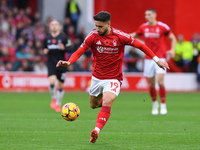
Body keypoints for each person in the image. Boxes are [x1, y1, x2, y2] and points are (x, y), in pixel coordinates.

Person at [56, 11, 169, 143]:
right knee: (93, 105)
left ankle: (96, 131)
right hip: (97, 78)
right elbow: (80, 50)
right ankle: (105, 108)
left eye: (100, 27)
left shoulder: (120, 36)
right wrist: (69, 62)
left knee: (107, 101)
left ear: (108, 24)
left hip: (113, 78)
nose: (97, 29)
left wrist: (157, 60)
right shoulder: (92, 36)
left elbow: (141, 45)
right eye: (96, 26)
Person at [130, 8, 176, 115]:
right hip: (148, 59)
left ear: (155, 15)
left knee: (160, 82)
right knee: (151, 85)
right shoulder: (143, 27)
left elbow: (173, 38)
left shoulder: (162, 27)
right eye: (146, 15)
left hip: (161, 57)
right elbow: (134, 35)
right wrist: (121, 36)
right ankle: (155, 103)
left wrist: (173, 49)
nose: (147, 16)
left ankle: (163, 104)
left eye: (149, 14)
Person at [43, 20, 72, 112]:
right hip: (51, 64)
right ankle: (53, 98)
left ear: (59, 26)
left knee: (60, 86)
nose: (54, 26)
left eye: (56, 24)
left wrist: (64, 48)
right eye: (52, 24)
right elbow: (44, 48)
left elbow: (70, 48)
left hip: (62, 64)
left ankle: (59, 104)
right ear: (50, 27)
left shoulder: (64, 37)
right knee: (52, 82)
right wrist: (44, 51)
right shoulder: (47, 38)